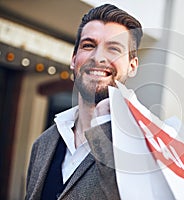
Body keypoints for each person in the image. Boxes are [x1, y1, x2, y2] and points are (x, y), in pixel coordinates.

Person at [25, 4, 143, 200]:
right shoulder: (43, 144)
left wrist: (103, 125)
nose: (98, 58)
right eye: (88, 45)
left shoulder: (147, 147)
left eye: (113, 49)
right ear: (74, 59)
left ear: (132, 66)